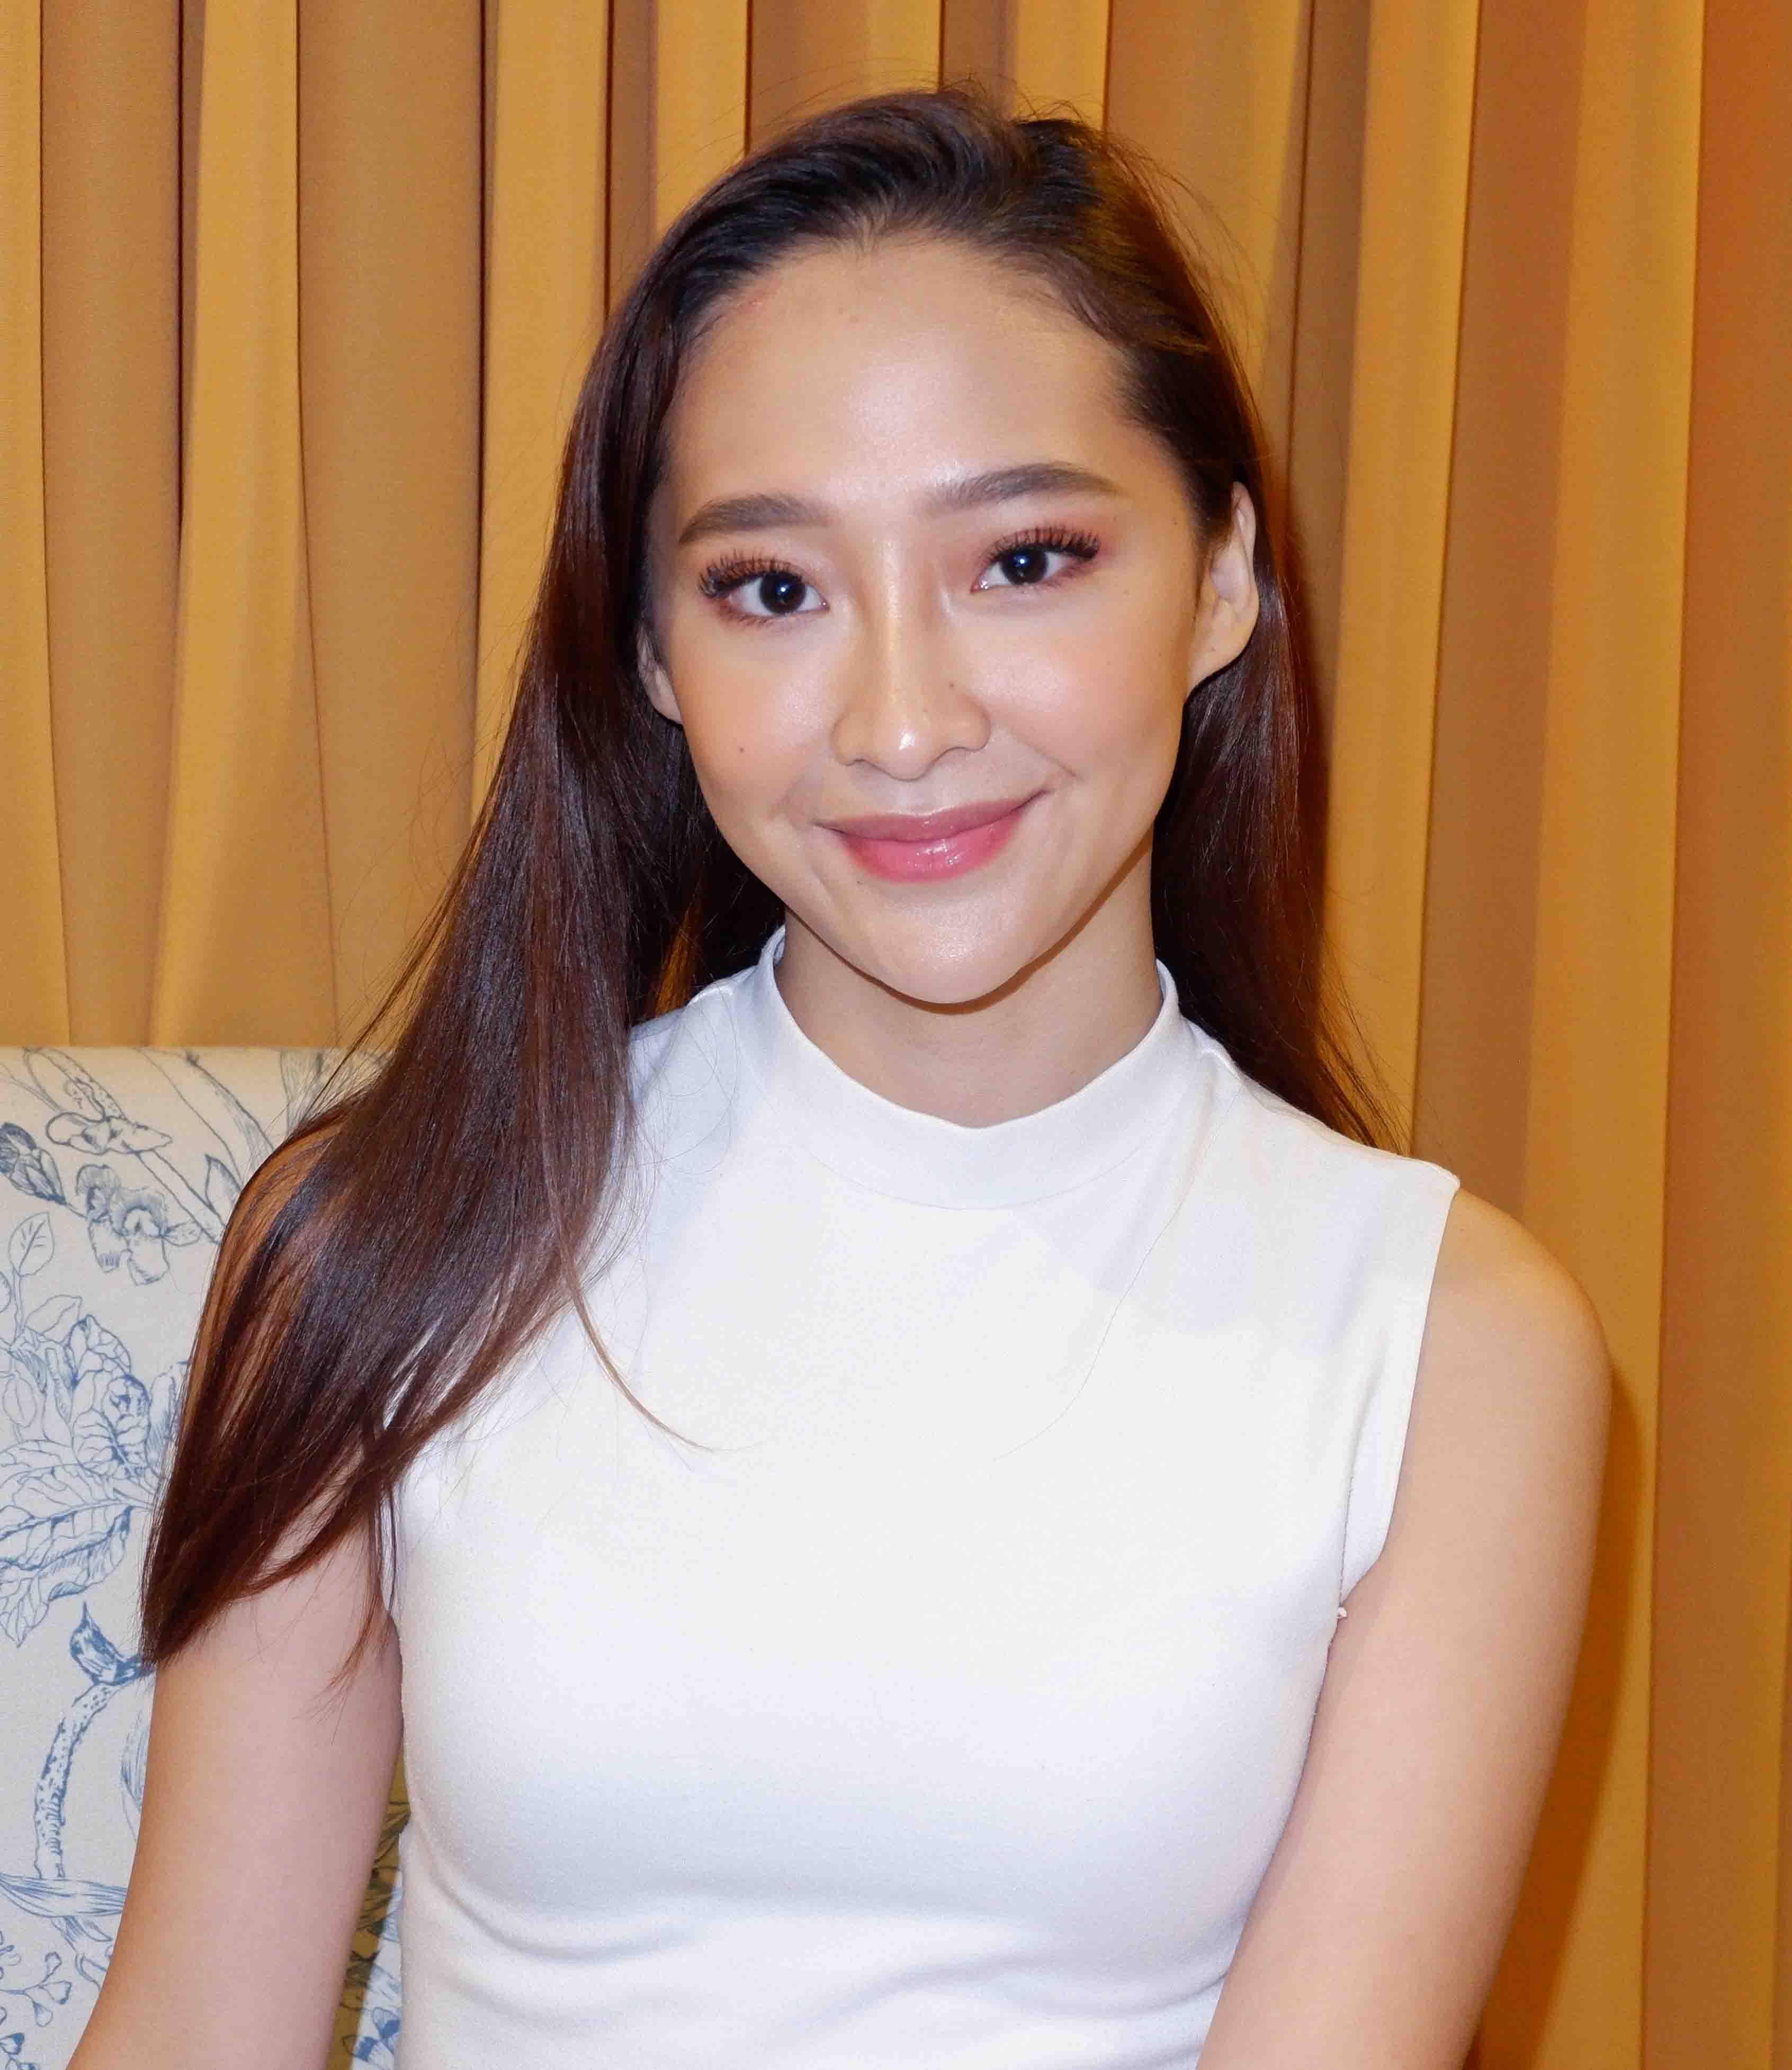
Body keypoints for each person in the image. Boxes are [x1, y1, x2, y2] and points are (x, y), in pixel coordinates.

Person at [73, 84, 1609, 2070]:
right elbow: (195, 2030)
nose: (901, 721)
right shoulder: (383, 1243)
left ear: (1223, 578)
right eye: (774, 589)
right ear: (650, 651)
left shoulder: (1444, 1347)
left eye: (1027, 559)